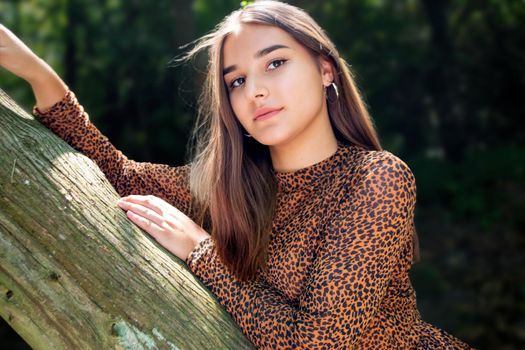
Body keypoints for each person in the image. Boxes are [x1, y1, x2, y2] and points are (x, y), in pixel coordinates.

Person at [0, 1, 472, 348]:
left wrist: (201, 251)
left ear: (325, 69)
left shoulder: (377, 179)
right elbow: (118, 173)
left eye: (275, 63)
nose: (256, 92)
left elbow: (319, 345)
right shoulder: (229, 188)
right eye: (237, 80)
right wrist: (38, 75)